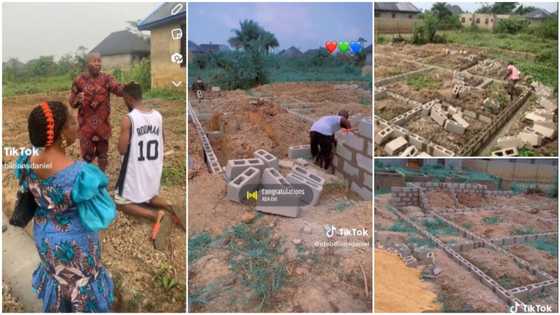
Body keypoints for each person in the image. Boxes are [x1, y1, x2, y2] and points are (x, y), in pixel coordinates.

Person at [16, 101, 116, 312]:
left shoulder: (28, 159)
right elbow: (103, 212)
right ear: (61, 132)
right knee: (83, 288)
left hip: (46, 240)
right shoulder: (81, 173)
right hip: (76, 244)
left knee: (58, 282)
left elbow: (29, 188)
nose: (77, 125)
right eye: (72, 122)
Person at [114, 82, 183, 250]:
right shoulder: (158, 116)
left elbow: (122, 150)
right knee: (149, 196)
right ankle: (170, 206)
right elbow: (163, 142)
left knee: (119, 201)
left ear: (129, 99)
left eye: (124, 99)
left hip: (135, 171)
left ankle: (156, 214)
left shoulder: (129, 119)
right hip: (152, 170)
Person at [68, 52, 125, 171]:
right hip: (86, 130)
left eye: (99, 61)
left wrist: (127, 88)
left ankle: (101, 180)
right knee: (87, 159)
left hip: (103, 128)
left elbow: (117, 89)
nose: (98, 64)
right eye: (94, 61)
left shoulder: (107, 79)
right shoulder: (79, 80)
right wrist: (77, 99)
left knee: (103, 157)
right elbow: (72, 102)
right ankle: (88, 182)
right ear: (88, 63)